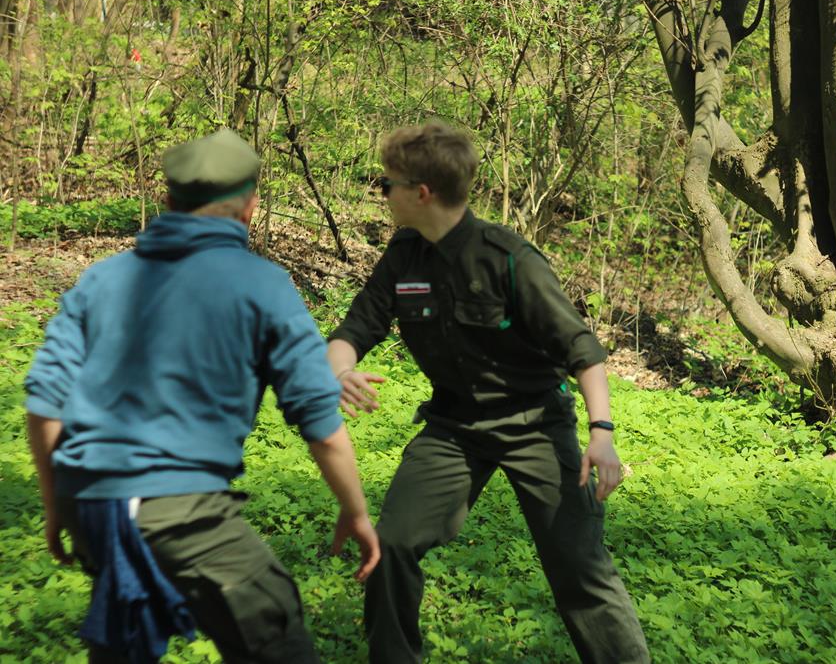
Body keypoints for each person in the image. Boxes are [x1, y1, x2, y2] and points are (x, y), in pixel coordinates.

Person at [25, 129, 380, 663]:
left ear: (168, 201)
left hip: (90, 502)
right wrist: (356, 512)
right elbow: (321, 425)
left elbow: (44, 404)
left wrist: (59, 505)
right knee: (274, 627)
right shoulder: (263, 285)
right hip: (178, 507)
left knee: (126, 642)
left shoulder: (102, 279)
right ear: (251, 207)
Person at [328, 120, 650, 663]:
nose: (381, 193)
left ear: (421, 193)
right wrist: (338, 372)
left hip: (535, 426)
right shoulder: (404, 255)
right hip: (453, 428)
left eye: (387, 184)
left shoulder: (508, 258)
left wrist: (602, 433)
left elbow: (583, 350)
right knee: (393, 544)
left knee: (579, 569)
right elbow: (356, 328)